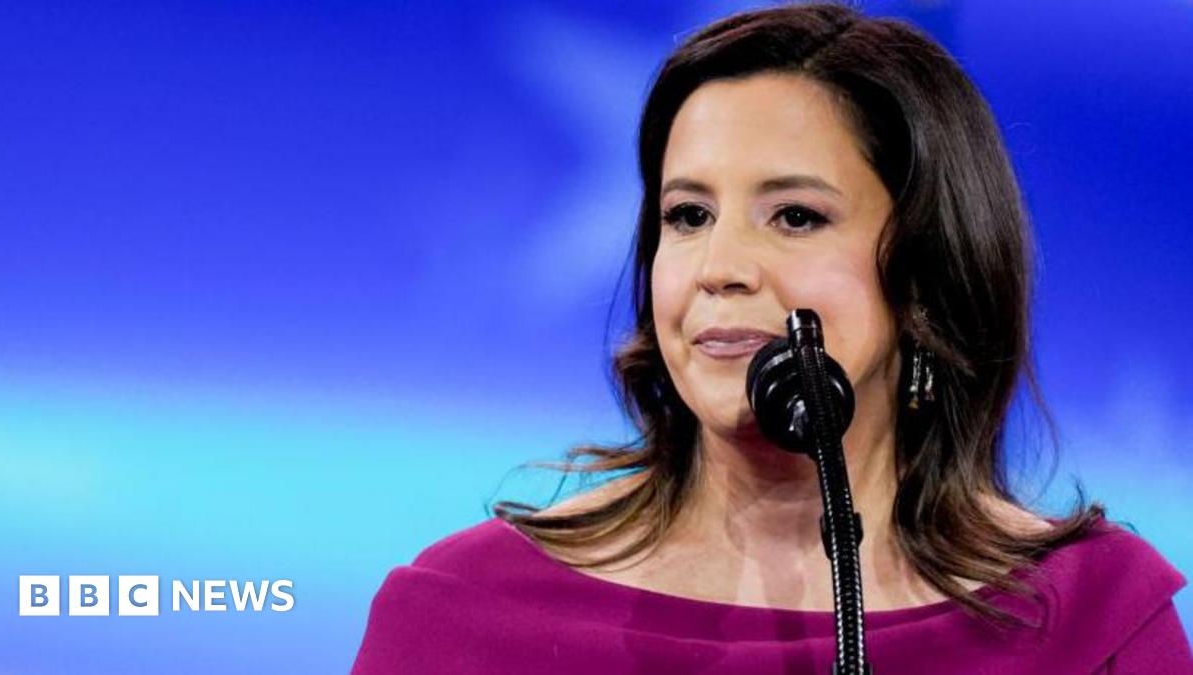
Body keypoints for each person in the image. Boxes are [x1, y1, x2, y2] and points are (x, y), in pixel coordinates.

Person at [351, 3, 1192, 672]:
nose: (720, 268)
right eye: (689, 215)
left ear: (927, 269)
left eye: (794, 216)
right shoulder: (466, 613)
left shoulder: (1087, 620)